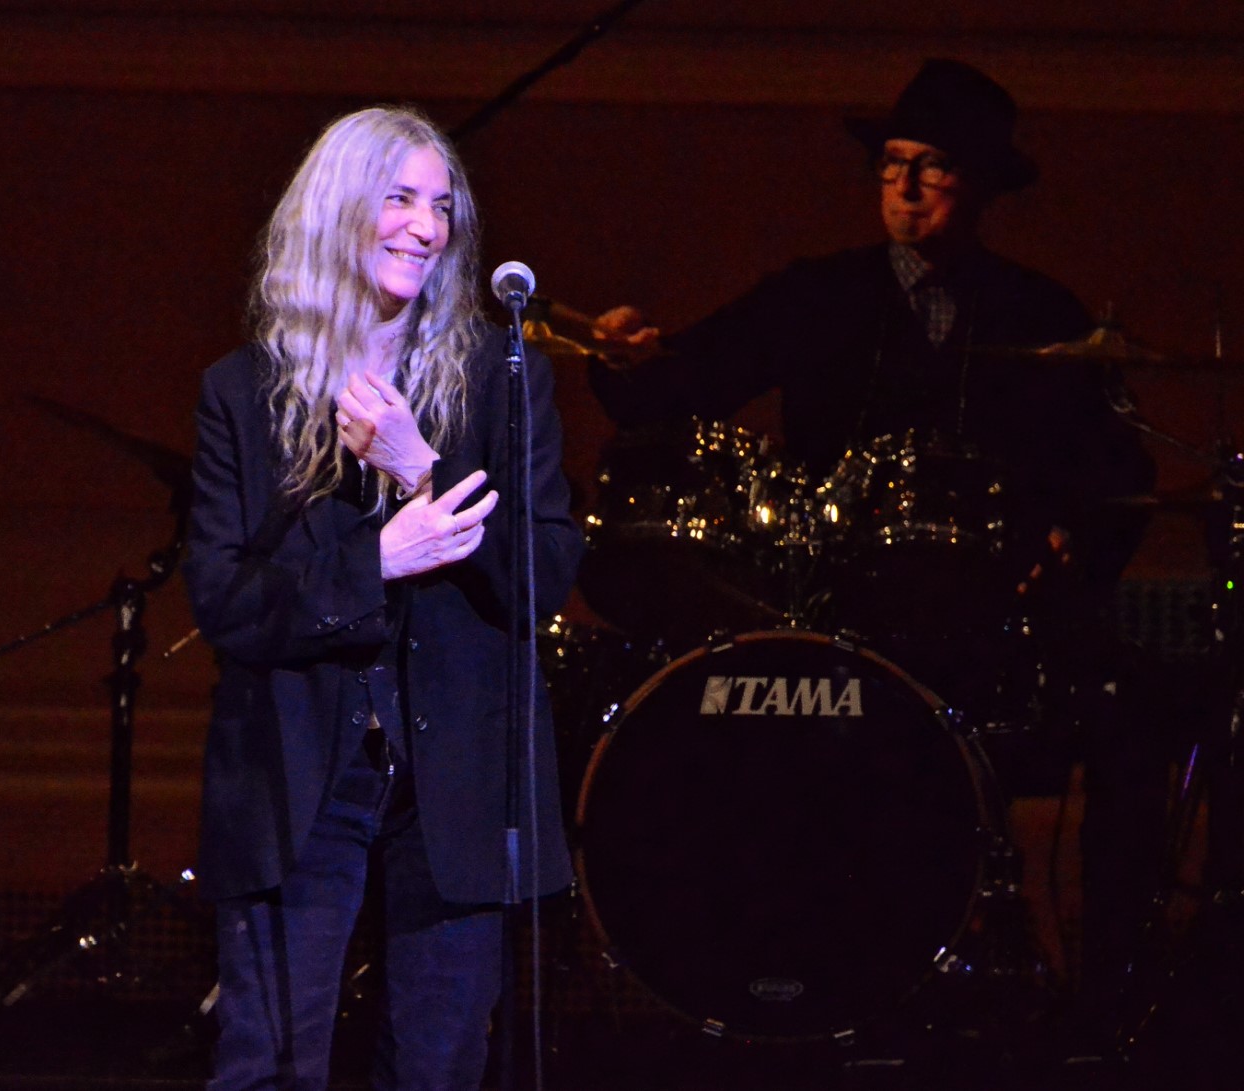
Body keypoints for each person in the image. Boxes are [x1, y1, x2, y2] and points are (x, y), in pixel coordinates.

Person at [587, 59, 1165, 1045]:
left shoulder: (1042, 316)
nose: (899, 189)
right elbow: (672, 385)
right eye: (889, 165)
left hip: (991, 625)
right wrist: (617, 353)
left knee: (1134, 710)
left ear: (977, 185)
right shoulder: (815, 296)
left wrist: (1072, 547)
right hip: (825, 612)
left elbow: (1120, 478)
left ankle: (1113, 1005)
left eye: (928, 167)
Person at [183, 105, 583, 1090]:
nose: (425, 225)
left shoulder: (499, 377)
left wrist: (418, 468)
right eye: (398, 198)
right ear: (336, 210)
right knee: (268, 1064)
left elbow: (544, 575)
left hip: (455, 775)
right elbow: (225, 600)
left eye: (440, 205)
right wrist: (379, 562)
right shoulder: (245, 393)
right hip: (297, 766)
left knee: (438, 1065)